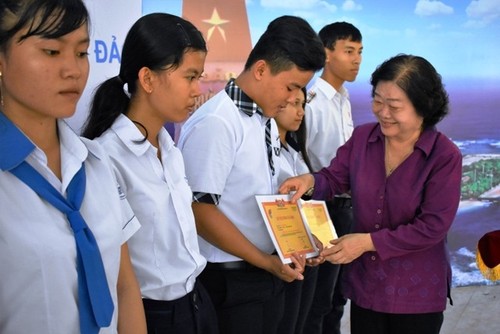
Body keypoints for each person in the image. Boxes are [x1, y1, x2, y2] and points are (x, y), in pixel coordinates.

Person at [280, 54, 462, 334]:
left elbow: (432, 227)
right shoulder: (364, 138)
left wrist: (367, 242)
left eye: (394, 106)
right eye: (377, 101)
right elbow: (333, 178)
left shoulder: (443, 155)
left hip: (417, 293)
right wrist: (309, 181)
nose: (382, 113)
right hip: (368, 286)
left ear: (423, 107)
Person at [0, 1, 146, 333]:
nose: (74, 70)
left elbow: (124, 285)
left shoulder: (95, 162)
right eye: (52, 51)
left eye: (81, 53)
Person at [178, 15, 325, 334]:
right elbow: (200, 212)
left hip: (264, 273)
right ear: (260, 70)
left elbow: (265, 195)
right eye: (291, 86)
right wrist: (266, 260)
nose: (293, 98)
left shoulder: (265, 119)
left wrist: (297, 243)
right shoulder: (218, 122)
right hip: (231, 280)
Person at [82, 13, 218, 334]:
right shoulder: (106, 157)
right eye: (190, 77)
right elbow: (120, 280)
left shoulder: (170, 149)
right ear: (148, 79)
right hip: (151, 316)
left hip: (197, 302)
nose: (198, 90)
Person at [303, 21, 363, 334]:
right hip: (320, 207)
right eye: (349, 51)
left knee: (339, 295)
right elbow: (303, 158)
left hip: (347, 208)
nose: (357, 59)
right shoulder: (311, 101)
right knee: (318, 299)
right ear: (327, 54)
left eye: (360, 52)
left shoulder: (344, 98)